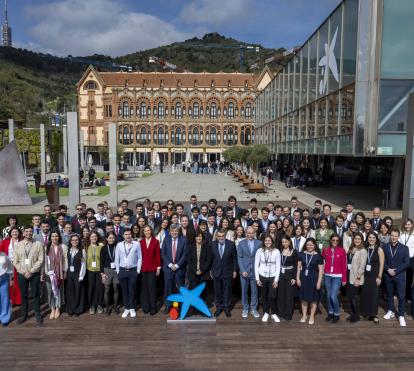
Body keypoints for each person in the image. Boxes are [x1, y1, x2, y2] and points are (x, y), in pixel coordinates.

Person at [13, 226, 44, 325]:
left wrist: (31, 271)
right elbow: (15, 261)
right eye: (27, 231)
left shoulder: (38, 244)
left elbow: (41, 260)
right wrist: (23, 271)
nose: (29, 233)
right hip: (22, 274)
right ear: (23, 232)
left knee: (35, 294)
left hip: (34, 273)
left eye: (30, 231)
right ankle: (24, 315)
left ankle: (37, 314)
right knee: (24, 295)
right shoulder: (18, 245)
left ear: (33, 232)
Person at [382, 228, 410, 327]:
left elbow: (407, 263)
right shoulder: (385, 247)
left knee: (401, 296)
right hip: (388, 275)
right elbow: (383, 261)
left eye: (395, 236)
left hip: (399, 276)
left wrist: (396, 271)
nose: (393, 237)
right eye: (392, 235)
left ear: (398, 237)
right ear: (390, 236)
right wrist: (388, 269)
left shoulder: (404, 248)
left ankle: (401, 315)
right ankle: (390, 310)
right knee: (389, 294)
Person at [115, 229, 142, 318]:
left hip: (133, 270)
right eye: (126, 234)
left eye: (129, 234)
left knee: (131, 290)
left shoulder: (137, 244)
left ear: (132, 235)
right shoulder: (119, 245)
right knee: (125, 291)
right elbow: (117, 259)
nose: (128, 236)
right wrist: (118, 271)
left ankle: (132, 308)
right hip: (122, 271)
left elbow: (139, 258)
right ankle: (126, 308)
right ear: (123, 236)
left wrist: (138, 270)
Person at [296, 238, 324, 325]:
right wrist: (297, 278)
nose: (309, 246)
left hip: (314, 279)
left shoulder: (318, 256)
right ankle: (304, 315)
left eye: (311, 245)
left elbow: (321, 271)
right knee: (304, 298)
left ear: (314, 245)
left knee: (313, 299)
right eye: (308, 245)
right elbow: (298, 268)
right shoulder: (301, 254)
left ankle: (311, 316)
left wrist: (319, 282)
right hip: (303, 279)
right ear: (305, 245)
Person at [210, 229, 237, 317]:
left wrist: (234, 270)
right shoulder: (212, 244)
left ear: (225, 236)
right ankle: (218, 307)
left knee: (227, 291)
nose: (221, 238)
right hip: (216, 271)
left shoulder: (231, 244)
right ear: (217, 236)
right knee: (217, 291)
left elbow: (234, 259)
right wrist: (210, 270)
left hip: (228, 271)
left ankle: (226, 308)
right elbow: (211, 259)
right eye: (219, 236)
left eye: (222, 236)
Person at [161, 224, 187, 314]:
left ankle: (179, 306)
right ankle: (168, 305)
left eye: (176, 231)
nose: (174, 232)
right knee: (168, 288)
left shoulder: (183, 240)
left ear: (178, 231)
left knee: (180, 288)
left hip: (179, 269)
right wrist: (170, 264)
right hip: (168, 269)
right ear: (170, 232)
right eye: (172, 231)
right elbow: (163, 254)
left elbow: (185, 254)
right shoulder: (166, 239)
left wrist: (177, 265)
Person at [322, 234, 347, 323]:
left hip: (337, 276)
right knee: (328, 296)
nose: (335, 242)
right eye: (333, 240)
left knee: (333, 295)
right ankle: (330, 312)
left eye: (337, 240)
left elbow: (344, 265)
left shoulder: (342, 251)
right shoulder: (326, 250)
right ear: (330, 240)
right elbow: (322, 260)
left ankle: (336, 313)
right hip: (327, 275)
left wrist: (344, 279)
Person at [255, 235, 280, 323]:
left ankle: (273, 313)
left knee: (272, 296)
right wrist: (257, 279)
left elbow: (278, 266)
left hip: (272, 276)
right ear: (263, 242)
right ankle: (266, 312)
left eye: (269, 240)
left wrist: (276, 280)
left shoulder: (276, 251)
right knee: (264, 296)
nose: (267, 242)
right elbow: (256, 265)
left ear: (272, 242)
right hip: (262, 276)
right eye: (266, 240)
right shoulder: (260, 251)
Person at [43, 231, 68, 319]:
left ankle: (58, 308)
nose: (54, 238)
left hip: (60, 273)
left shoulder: (63, 247)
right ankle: (52, 308)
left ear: (59, 237)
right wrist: (45, 272)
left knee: (58, 291)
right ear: (50, 238)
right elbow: (44, 261)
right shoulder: (47, 247)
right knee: (50, 292)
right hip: (49, 273)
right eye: (53, 236)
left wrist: (65, 271)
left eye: (56, 236)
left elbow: (65, 260)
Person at [237, 226, 261, 318]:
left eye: (252, 233)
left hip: (255, 271)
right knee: (244, 291)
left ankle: (253, 309)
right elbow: (239, 257)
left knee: (254, 291)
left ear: (254, 233)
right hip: (244, 271)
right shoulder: (241, 243)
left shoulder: (259, 243)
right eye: (249, 233)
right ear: (246, 233)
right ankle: (245, 308)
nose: (250, 235)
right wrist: (242, 270)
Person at [360, 232, 384, 324]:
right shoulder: (365, 248)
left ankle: (373, 314)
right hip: (366, 275)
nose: (371, 239)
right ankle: (366, 312)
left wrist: (379, 276)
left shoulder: (379, 249)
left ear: (376, 239)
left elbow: (382, 264)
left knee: (374, 294)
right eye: (370, 237)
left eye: (373, 237)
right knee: (365, 293)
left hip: (375, 275)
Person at [186, 231, 212, 313]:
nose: (198, 238)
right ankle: (192, 310)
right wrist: (195, 270)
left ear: (203, 238)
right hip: (193, 273)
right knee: (193, 292)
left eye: (200, 236)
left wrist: (201, 270)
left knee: (202, 292)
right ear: (194, 238)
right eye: (197, 237)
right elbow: (188, 260)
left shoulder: (207, 247)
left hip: (203, 274)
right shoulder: (190, 247)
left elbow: (208, 261)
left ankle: (201, 310)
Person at [140, 225, 161, 316]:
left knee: (152, 288)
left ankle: (153, 307)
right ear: (143, 232)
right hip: (144, 268)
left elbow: (158, 255)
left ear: (151, 231)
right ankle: (146, 307)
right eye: (145, 231)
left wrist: (158, 268)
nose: (147, 232)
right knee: (145, 289)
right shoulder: (140, 242)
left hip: (153, 268)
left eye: (148, 230)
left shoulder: (156, 241)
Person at [346, 233, 368, 323]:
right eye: (355, 239)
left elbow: (362, 266)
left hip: (356, 277)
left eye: (359, 239)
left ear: (362, 240)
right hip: (350, 275)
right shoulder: (352, 249)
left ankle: (356, 315)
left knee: (354, 297)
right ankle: (353, 313)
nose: (357, 240)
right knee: (350, 297)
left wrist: (358, 278)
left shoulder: (363, 251)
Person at [277, 235, 298, 321]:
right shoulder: (280, 250)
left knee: (289, 295)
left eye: (286, 241)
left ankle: (288, 315)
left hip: (290, 275)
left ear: (289, 242)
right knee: (281, 294)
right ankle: (280, 313)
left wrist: (294, 277)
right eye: (283, 242)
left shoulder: (294, 251)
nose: (284, 243)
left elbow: (296, 265)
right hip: (281, 274)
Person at [0, 226, 22, 305]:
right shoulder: (5, 241)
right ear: (10, 233)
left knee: (18, 283)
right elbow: (1, 252)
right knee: (9, 283)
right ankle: (11, 300)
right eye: (13, 232)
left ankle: (18, 300)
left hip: (19, 264)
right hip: (8, 265)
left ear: (19, 233)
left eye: (16, 232)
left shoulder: (22, 241)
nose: (15, 233)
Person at [66, 234, 86, 316]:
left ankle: (78, 310)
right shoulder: (68, 250)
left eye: (76, 240)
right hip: (69, 274)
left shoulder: (82, 251)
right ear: (70, 241)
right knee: (71, 292)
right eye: (73, 240)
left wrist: (81, 276)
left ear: (79, 241)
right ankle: (71, 309)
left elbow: (84, 264)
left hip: (78, 274)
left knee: (78, 291)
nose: (75, 241)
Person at [100, 232, 120, 315]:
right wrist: (102, 273)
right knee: (107, 290)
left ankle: (115, 307)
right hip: (107, 270)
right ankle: (107, 308)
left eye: (113, 238)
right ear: (107, 239)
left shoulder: (118, 247)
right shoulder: (104, 248)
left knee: (116, 289)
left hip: (116, 270)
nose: (111, 239)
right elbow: (101, 261)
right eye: (110, 238)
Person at [86, 231, 104, 315]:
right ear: (89, 237)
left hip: (99, 270)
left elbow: (103, 259)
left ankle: (99, 305)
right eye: (92, 236)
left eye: (95, 236)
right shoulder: (86, 247)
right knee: (91, 288)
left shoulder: (101, 247)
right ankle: (92, 305)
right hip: (89, 270)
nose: (94, 238)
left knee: (99, 288)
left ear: (97, 237)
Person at [399, 218, 414, 311]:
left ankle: (407, 296)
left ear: (412, 225)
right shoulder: (401, 233)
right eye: (406, 224)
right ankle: (399, 294)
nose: (407, 226)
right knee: (400, 277)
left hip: (411, 258)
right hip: (401, 258)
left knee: (409, 278)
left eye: (409, 224)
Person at [0, 251, 13, 326]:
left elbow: (10, 266)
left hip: (4, 278)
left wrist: (11, 278)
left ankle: (4, 318)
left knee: (4, 299)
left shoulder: (4, 255)